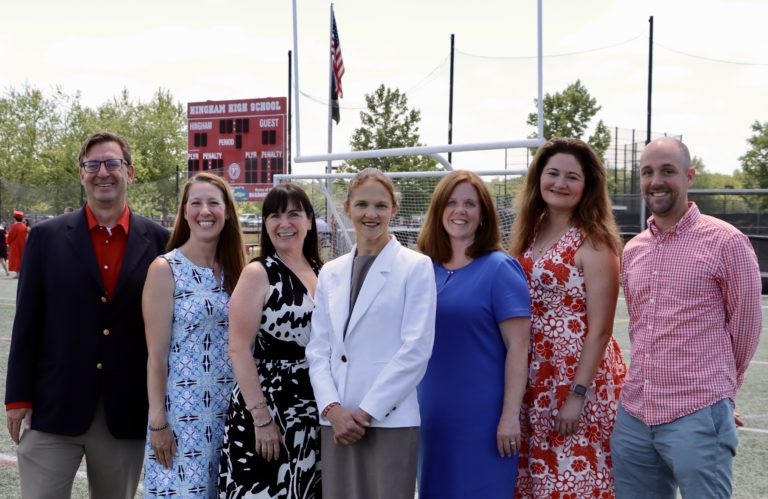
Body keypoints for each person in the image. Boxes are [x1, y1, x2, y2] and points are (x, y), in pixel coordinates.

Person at [4, 131, 169, 498]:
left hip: (124, 412)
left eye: (112, 163)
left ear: (130, 172)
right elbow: (27, 321)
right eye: (92, 165)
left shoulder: (160, 241)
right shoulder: (45, 237)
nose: (102, 172)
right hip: (53, 407)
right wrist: (17, 398)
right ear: (81, 175)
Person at [611, 137, 762, 498]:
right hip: (635, 415)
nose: (656, 181)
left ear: (689, 176)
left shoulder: (726, 242)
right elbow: (639, 324)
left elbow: (745, 327)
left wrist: (722, 395)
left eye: (668, 171)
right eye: (647, 172)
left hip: (696, 411)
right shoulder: (633, 250)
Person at [306, 168, 436, 499]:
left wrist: (364, 414)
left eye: (380, 206)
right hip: (337, 423)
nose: (371, 214)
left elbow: (415, 350)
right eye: (362, 204)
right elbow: (319, 350)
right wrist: (333, 409)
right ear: (347, 209)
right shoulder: (331, 272)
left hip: (388, 420)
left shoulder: (415, 267)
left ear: (393, 210)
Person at [509, 137, 627, 498]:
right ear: (538, 178)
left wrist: (577, 394)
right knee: (538, 480)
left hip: (576, 379)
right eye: (553, 173)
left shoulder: (594, 241)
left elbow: (601, 330)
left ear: (587, 185)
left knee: (574, 479)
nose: (560, 183)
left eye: (572, 177)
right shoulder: (530, 229)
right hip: (533, 377)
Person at [416, 170, 531, 498]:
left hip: (483, 420)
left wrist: (510, 416)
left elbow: (519, 348)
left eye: (470, 203)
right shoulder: (425, 269)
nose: (460, 211)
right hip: (432, 416)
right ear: (439, 211)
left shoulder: (500, 268)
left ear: (483, 215)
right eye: (451, 202)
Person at [143, 172, 245, 497]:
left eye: (213, 203)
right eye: (196, 203)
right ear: (185, 212)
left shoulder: (239, 271)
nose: (205, 211)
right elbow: (156, 356)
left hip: (230, 415)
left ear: (227, 211)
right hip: (183, 419)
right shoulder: (165, 268)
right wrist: (159, 422)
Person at [219, 183, 323, 498]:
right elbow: (238, 349)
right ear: (265, 224)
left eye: (294, 214)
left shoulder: (324, 271)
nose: (284, 223)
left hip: (311, 413)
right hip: (268, 411)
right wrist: (261, 418)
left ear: (309, 221)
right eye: (275, 215)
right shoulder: (258, 273)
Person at [6, 209, 27, 277]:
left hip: (15, 245)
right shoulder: (24, 226)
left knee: (15, 259)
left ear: (15, 218)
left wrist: (7, 241)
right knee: (21, 258)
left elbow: (10, 236)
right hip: (22, 244)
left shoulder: (14, 226)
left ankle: (18, 273)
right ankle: (20, 273)